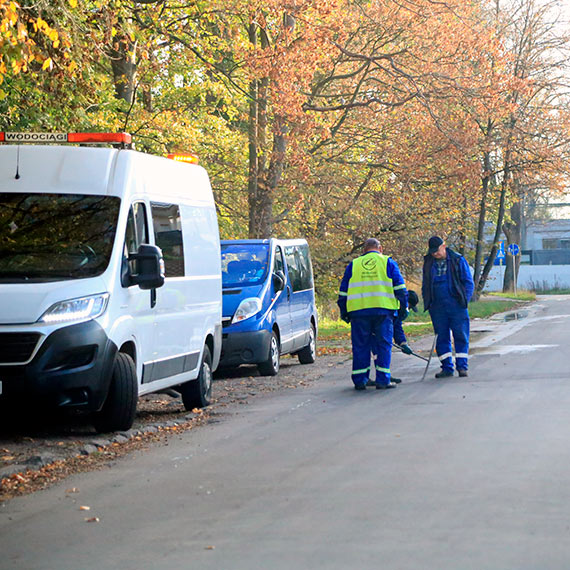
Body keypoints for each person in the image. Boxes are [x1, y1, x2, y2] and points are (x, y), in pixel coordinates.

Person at [338, 238, 409, 390]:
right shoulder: (388, 262)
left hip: (358, 312)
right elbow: (400, 289)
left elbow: (343, 292)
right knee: (383, 345)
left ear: (364, 250)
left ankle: (360, 380)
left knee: (360, 346)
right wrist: (404, 308)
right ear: (380, 248)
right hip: (382, 311)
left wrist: (344, 312)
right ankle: (383, 380)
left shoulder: (354, 265)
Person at [422, 236, 474, 378]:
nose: (435, 254)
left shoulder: (458, 260)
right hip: (437, 307)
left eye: (437, 251)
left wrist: (464, 301)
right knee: (441, 337)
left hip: (456, 305)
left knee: (460, 335)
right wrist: (428, 302)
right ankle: (446, 368)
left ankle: (462, 367)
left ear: (444, 246)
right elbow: (425, 284)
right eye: (432, 252)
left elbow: (468, 283)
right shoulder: (428, 262)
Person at [365, 289, 419, 386]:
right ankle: (378, 378)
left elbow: (397, 326)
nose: (409, 309)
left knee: (381, 352)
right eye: (410, 306)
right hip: (372, 326)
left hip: (378, 327)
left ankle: (384, 375)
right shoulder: (394, 305)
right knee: (378, 352)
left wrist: (403, 343)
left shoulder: (399, 309)